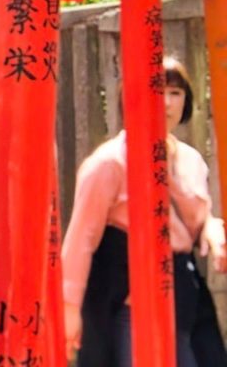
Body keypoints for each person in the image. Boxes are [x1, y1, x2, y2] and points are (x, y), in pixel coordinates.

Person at [62, 56, 227, 367]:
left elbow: (198, 220)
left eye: (176, 93)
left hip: (183, 292)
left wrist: (212, 230)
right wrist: (69, 306)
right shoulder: (109, 162)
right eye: (157, 90)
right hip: (131, 299)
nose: (166, 102)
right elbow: (81, 238)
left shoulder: (191, 160)